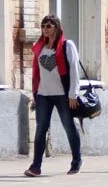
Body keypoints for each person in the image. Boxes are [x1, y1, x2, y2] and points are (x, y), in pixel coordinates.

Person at [24, 14, 83, 177]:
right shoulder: (40, 47)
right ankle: (36, 166)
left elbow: (74, 71)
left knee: (69, 127)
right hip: (44, 94)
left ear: (56, 27)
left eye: (48, 26)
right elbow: (37, 74)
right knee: (41, 130)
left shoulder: (67, 45)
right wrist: (35, 94)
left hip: (63, 95)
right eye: (43, 26)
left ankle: (76, 161)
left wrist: (73, 94)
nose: (45, 29)